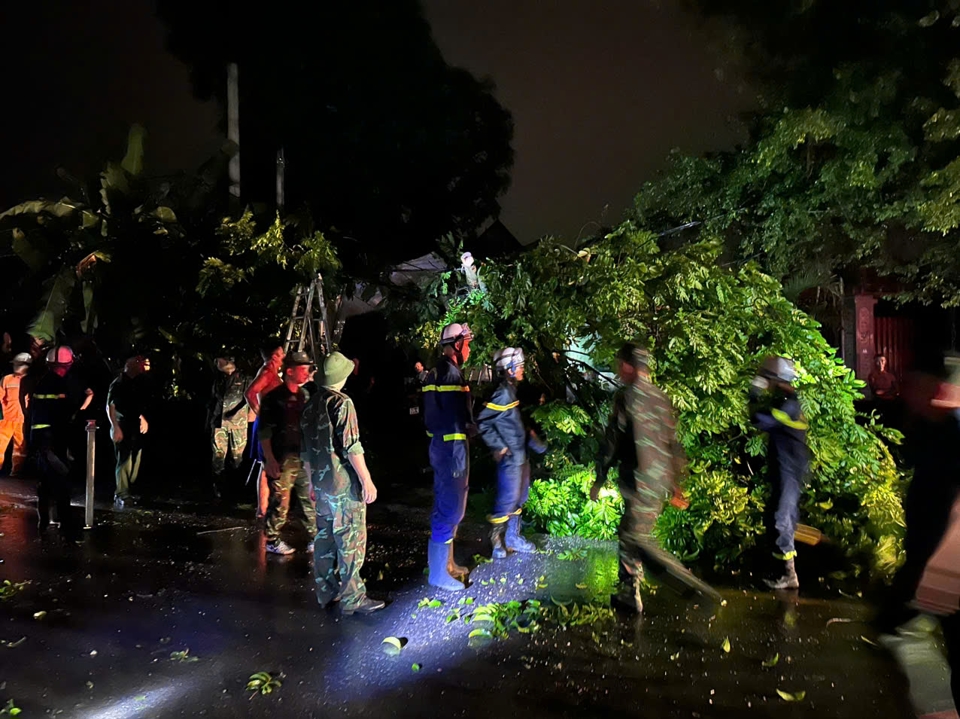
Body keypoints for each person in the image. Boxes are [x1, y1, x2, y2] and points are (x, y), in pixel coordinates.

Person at [591, 343, 719, 612]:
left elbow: (611, 442)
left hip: (637, 480)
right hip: (657, 482)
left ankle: (688, 587)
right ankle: (629, 590)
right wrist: (676, 485)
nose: (617, 370)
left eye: (619, 364)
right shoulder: (661, 397)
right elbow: (673, 443)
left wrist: (599, 478)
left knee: (637, 539)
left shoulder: (626, 398)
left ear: (629, 366)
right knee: (630, 534)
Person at [301, 352, 384, 615]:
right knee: (350, 540)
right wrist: (367, 480)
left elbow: (305, 451)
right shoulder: (342, 403)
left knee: (324, 539)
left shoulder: (311, 404)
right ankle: (353, 598)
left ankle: (326, 592)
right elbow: (351, 447)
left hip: (322, 485)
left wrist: (312, 484)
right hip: (343, 485)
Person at [477, 347, 546, 559]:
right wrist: (499, 446)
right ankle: (497, 541)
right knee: (507, 499)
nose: (523, 369)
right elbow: (483, 421)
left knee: (519, 498)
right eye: (520, 366)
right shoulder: (502, 393)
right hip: (510, 458)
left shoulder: (510, 390)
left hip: (519, 456)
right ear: (509, 368)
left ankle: (513, 538)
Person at [422, 322, 475, 591]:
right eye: (466, 343)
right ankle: (438, 573)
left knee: (451, 507)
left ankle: (447, 565)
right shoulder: (450, 375)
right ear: (456, 344)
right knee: (450, 508)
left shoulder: (441, 371)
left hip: (446, 449)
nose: (468, 347)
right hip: (450, 451)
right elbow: (454, 419)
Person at [749, 355, 810, 590]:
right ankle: (782, 572)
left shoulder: (788, 404)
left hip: (789, 472)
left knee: (780, 519)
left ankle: (789, 574)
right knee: (777, 517)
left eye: (768, 378)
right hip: (788, 469)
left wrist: (754, 392)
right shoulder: (788, 401)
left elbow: (759, 419)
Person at [29, 346, 93, 537]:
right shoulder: (59, 384)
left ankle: (44, 522)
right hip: (52, 440)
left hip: (40, 440)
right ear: (67, 365)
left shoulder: (42, 382)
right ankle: (66, 524)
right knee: (61, 481)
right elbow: (63, 414)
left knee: (45, 482)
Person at [258, 351, 317, 555]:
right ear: (289, 371)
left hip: (302, 457)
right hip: (281, 458)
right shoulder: (273, 399)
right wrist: (270, 459)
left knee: (308, 499)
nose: (306, 372)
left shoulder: (305, 396)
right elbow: (264, 431)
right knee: (280, 502)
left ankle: (314, 537)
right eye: (302, 368)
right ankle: (272, 539)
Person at [246, 342, 285, 518]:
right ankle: (262, 509)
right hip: (267, 425)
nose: (283, 355)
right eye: (281, 353)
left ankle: (265, 507)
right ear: (274, 356)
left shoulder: (273, 373)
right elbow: (250, 393)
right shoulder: (267, 372)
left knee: (268, 466)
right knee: (265, 466)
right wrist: (260, 413)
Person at [107, 356, 152, 509]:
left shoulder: (137, 382)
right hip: (122, 424)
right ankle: (122, 493)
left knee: (134, 460)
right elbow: (110, 407)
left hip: (133, 425)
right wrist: (115, 426)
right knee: (124, 460)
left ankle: (123, 489)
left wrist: (142, 418)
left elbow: (133, 405)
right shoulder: (118, 383)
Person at [208, 356, 249, 498]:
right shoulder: (218, 380)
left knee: (237, 457)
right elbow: (213, 400)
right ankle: (218, 488)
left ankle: (237, 489)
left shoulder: (244, 379)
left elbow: (249, 399)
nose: (218, 364)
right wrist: (209, 421)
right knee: (218, 457)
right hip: (219, 423)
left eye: (220, 361)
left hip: (238, 424)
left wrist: (237, 412)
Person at [0, 353, 32, 476]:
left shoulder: (30, 381)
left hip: (22, 419)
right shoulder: (6, 379)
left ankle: (16, 472)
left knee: (20, 448)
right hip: (7, 419)